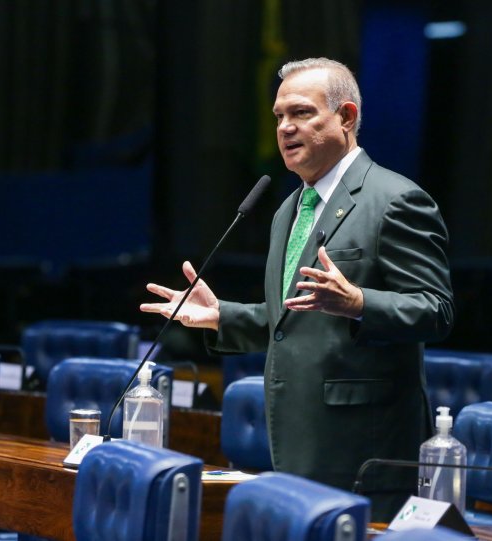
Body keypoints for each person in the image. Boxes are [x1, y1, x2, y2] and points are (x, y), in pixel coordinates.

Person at [140, 57, 454, 520]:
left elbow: (436, 310)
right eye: (279, 116)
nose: (285, 127)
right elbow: (293, 317)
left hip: (363, 452)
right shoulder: (289, 208)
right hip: (294, 438)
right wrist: (222, 316)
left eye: (302, 112)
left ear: (346, 117)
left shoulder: (395, 199)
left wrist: (359, 302)